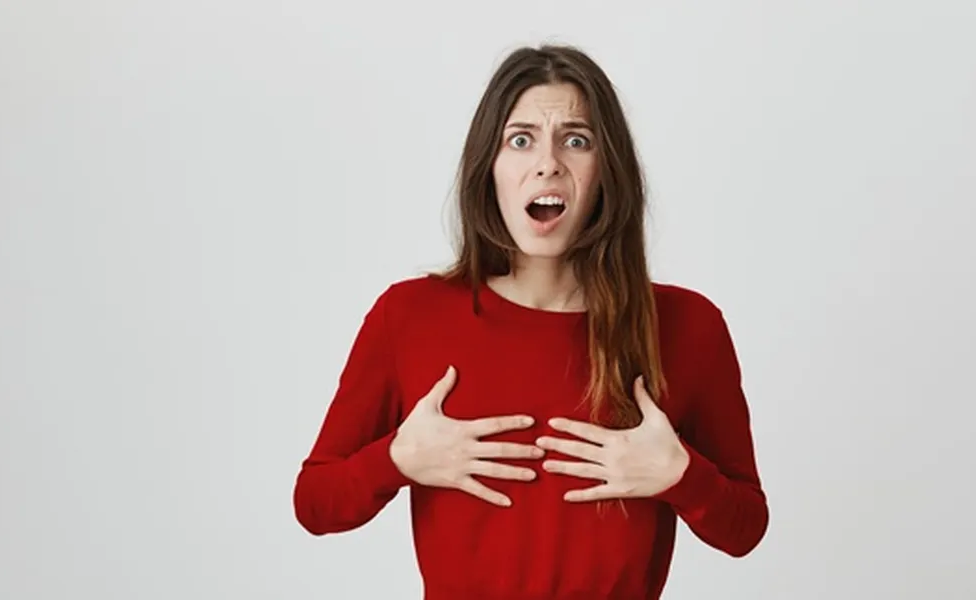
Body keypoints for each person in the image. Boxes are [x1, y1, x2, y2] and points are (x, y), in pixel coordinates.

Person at [293, 43, 768, 599]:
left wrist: (682, 475)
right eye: (520, 140)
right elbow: (316, 503)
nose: (548, 163)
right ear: (489, 167)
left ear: (607, 170)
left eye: (576, 140)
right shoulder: (408, 316)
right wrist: (397, 459)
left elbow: (744, 528)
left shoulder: (688, 326)